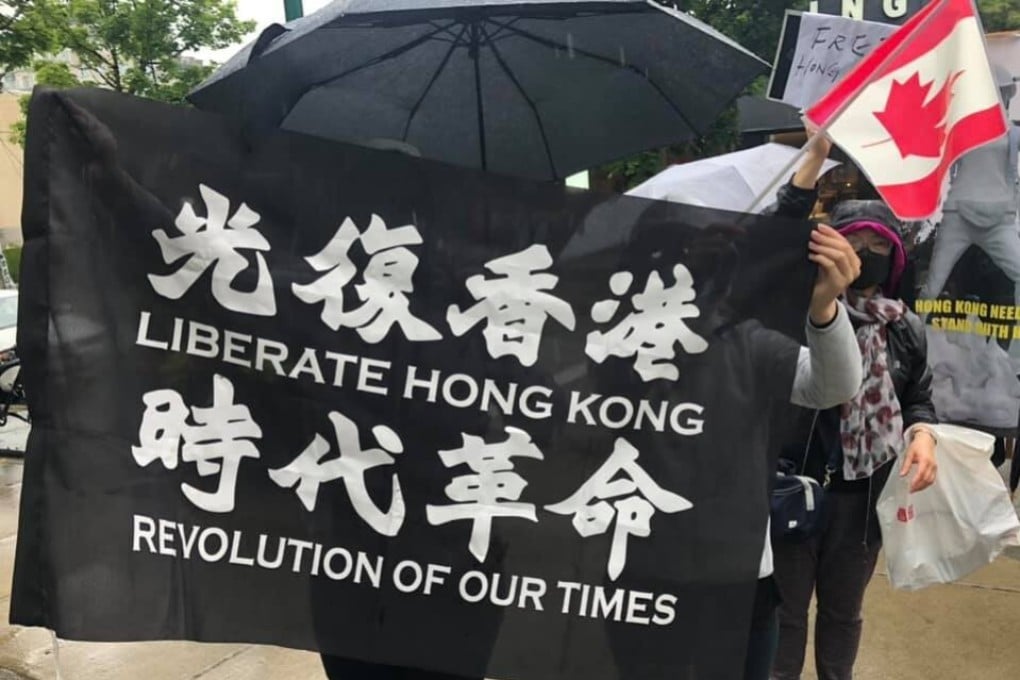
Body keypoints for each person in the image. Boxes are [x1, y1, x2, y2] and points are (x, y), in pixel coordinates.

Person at [771, 199, 939, 680]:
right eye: (854, 241)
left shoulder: (905, 328)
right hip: (794, 492)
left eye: (878, 245)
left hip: (863, 500)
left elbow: (918, 398)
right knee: (784, 611)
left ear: (895, 257)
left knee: (844, 613)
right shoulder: (796, 313)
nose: (865, 253)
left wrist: (923, 434)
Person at [742, 127, 862, 680]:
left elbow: (831, 387)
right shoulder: (616, 351)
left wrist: (823, 310)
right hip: (646, 571)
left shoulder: (745, 343)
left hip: (745, 574)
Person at [921, 63, 1020, 367]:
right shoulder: (960, 126)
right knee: (934, 281)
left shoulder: (1013, 132)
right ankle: (913, 339)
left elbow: (1012, 171)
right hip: (959, 212)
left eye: (1003, 92)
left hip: (998, 216)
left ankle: (1014, 349)